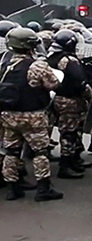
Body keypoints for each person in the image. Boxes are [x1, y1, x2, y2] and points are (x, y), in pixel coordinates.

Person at [1, 27, 64, 201]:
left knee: (11, 151)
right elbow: (53, 84)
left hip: (8, 115)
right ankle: (43, 189)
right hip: (32, 116)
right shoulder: (36, 65)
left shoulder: (4, 64)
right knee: (40, 152)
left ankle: (12, 188)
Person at [47, 29, 92, 180]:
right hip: (70, 101)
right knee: (69, 134)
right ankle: (65, 166)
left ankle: (72, 161)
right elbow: (80, 83)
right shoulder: (70, 61)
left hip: (57, 99)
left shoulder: (50, 57)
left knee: (69, 131)